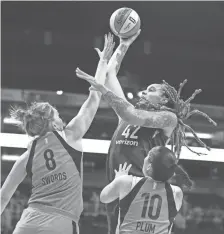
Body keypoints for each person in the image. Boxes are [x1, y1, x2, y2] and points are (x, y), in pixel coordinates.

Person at [75, 32, 217, 234]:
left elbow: (130, 113)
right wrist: (123, 44)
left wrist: (105, 91)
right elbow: (109, 75)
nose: (144, 92)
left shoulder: (168, 119)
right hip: (118, 180)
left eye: (151, 90)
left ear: (165, 100)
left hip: (139, 183)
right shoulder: (126, 115)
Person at [0, 34, 115, 234]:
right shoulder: (70, 135)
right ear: (52, 122)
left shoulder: (27, 156)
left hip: (29, 222)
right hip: (61, 222)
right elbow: (94, 97)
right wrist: (103, 62)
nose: (61, 117)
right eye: (58, 114)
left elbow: (3, 197)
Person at [100, 146, 192, 234]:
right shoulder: (177, 193)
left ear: (149, 166)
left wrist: (117, 180)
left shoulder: (126, 182)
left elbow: (104, 198)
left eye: (147, 156)